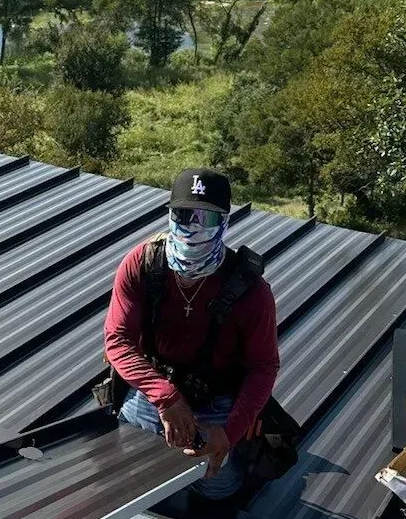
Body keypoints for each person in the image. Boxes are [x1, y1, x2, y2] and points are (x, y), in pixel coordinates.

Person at [103, 166, 279, 500]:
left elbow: (263, 367)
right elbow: (118, 339)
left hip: (215, 396)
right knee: (126, 470)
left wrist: (229, 432)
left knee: (215, 486)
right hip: (155, 386)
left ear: (225, 222)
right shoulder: (142, 265)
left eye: (207, 219)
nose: (192, 228)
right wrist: (166, 398)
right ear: (169, 214)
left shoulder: (250, 291)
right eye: (183, 214)